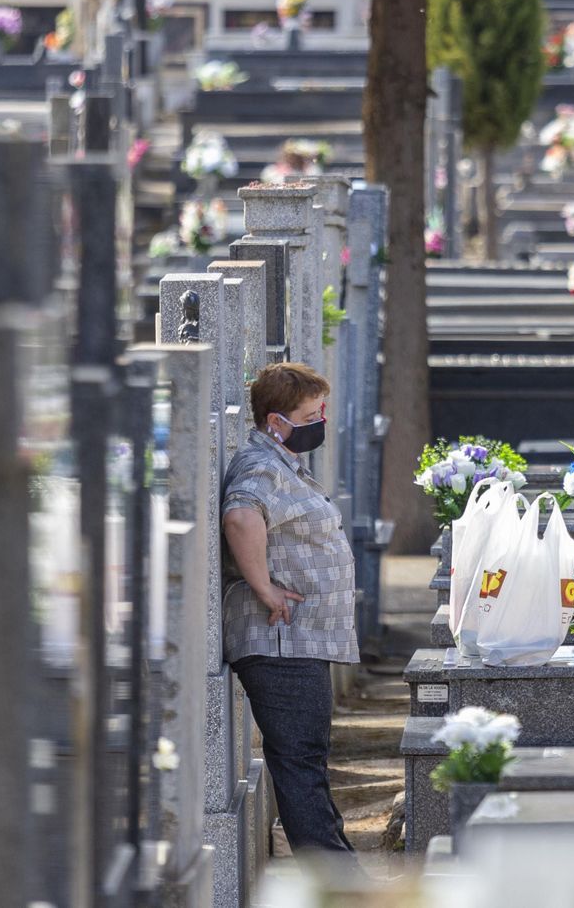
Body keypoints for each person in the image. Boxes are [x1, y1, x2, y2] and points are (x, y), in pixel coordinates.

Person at [222, 362, 358, 855]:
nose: (319, 420)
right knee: (301, 762)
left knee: (306, 760)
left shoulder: (278, 461)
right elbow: (240, 517)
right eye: (310, 413)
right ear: (276, 420)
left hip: (298, 640)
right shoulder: (261, 465)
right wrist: (264, 588)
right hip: (281, 639)